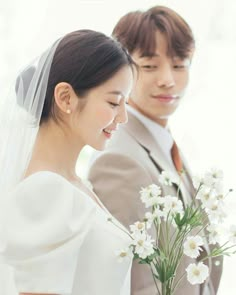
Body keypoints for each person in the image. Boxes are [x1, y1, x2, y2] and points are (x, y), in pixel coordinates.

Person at [88, 6, 223, 295]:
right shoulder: (118, 160)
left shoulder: (163, 142)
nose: (167, 80)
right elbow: (131, 281)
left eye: (179, 64)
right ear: (120, 70)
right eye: (149, 66)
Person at [0, 29, 134, 295]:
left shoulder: (74, 185)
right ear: (65, 97)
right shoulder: (46, 191)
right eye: (114, 102)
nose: (123, 118)